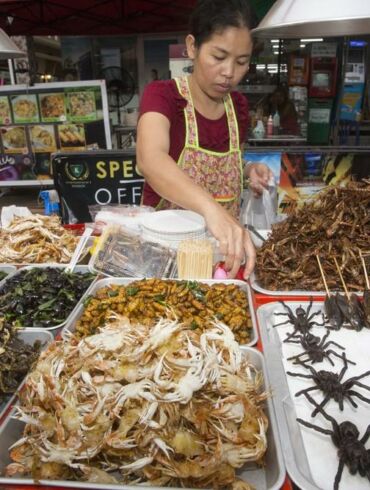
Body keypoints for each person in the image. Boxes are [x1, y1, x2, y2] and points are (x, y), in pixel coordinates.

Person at [137, 0, 273, 279]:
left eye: (241, 62)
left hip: (223, 260)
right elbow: (150, 159)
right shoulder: (163, 96)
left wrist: (248, 171)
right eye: (219, 56)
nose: (229, 72)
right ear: (192, 47)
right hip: (164, 259)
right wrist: (212, 211)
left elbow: (229, 160)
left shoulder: (238, 106)